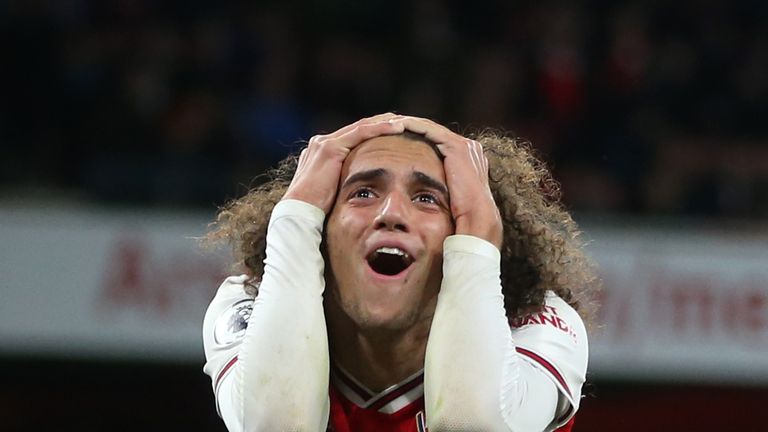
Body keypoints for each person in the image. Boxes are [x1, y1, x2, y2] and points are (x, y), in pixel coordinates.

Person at [202, 113, 599, 431]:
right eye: (363, 193)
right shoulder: (245, 304)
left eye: (427, 199)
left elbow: (474, 426)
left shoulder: (536, 322)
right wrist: (293, 218)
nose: (391, 214)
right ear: (320, 228)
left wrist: (481, 235)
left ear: (462, 231)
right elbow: (276, 426)